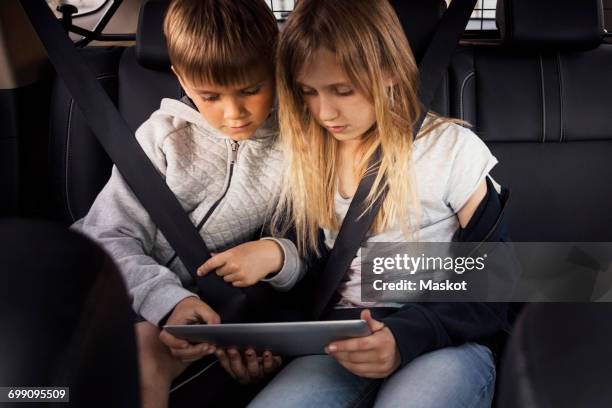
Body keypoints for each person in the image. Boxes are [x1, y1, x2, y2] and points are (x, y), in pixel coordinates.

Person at [246, 0, 510, 406]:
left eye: (343, 90)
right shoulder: (306, 158)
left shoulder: (450, 151)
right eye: (308, 92)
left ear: (389, 72)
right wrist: (264, 334)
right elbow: (308, 275)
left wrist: (406, 336)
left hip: (444, 337)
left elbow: (497, 281)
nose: (324, 111)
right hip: (341, 339)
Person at [73, 0, 306, 407]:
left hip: (216, 314)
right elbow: (107, 235)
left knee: (144, 354)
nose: (233, 113)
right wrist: (170, 302)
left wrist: (279, 257)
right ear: (181, 77)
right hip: (116, 288)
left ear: (277, 69)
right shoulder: (164, 138)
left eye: (251, 90)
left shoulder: (300, 145)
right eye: (209, 96)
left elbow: (314, 246)